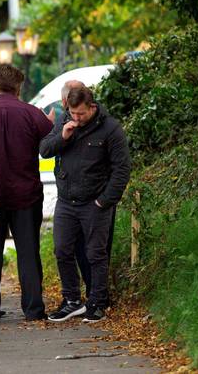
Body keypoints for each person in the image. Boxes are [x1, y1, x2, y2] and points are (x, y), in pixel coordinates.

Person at [40, 84, 130, 323]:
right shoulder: (65, 121)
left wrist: (104, 201)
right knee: (62, 251)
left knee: (95, 254)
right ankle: (71, 300)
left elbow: (121, 169)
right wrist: (63, 136)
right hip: (66, 201)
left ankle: (97, 302)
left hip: (95, 202)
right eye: (72, 113)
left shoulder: (111, 129)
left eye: (81, 113)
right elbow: (45, 149)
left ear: (92, 106)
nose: (76, 118)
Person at [0, 64, 53, 323]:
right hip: (26, 195)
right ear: (19, 87)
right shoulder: (33, 114)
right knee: (28, 251)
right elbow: (51, 140)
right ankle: (33, 309)